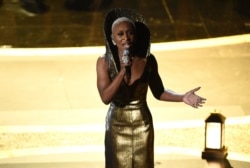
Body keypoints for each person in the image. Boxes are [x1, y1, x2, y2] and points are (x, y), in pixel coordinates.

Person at [96, 8, 206, 168]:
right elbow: (105, 98)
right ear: (112, 39)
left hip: (142, 123)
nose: (126, 37)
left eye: (130, 33)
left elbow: (159, 92)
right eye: (120, 34)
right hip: (116, 124)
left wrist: (182, 97)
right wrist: (122, 72)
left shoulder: (148, 61)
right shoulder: (104, 62)